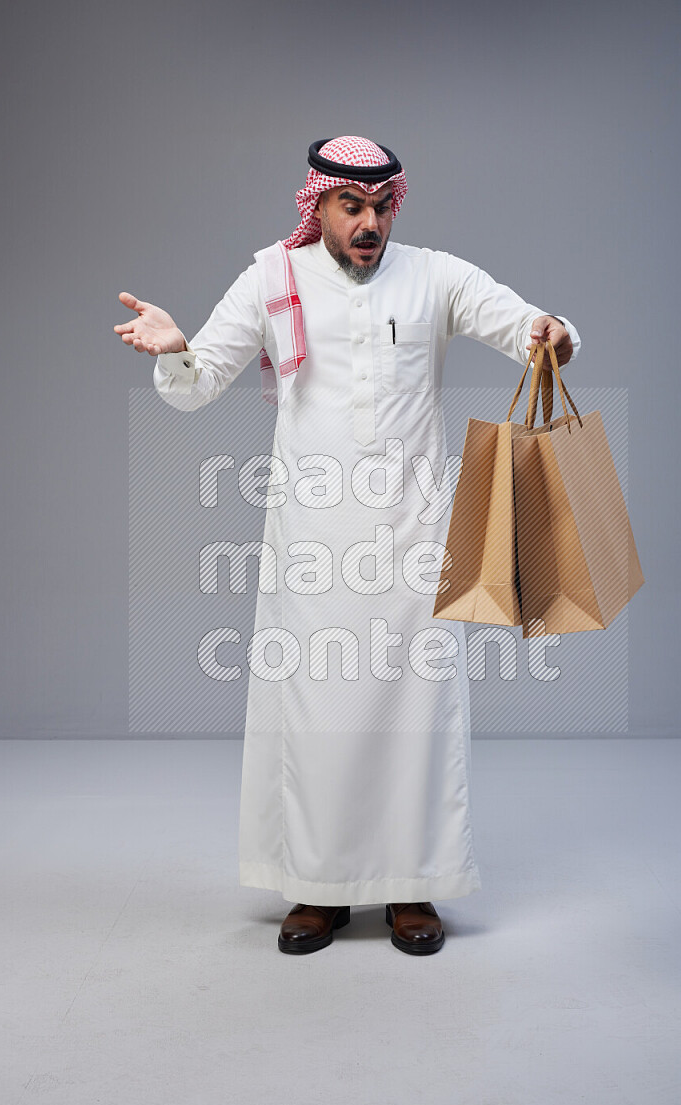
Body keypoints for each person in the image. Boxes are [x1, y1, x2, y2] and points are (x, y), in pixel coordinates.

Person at [113, 135, 581, 957]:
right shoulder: (272, 276)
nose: (369, 223)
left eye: (380, 206)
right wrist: (174, 348)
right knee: (316, 711)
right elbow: (203, 376)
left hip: (413, 536)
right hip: (311, 540)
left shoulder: (435, 274)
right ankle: (319, 889)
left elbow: (522, 323)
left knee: (416, 712)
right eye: (350, 206)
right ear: (318, 205)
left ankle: (410, 887)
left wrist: (553, 331)